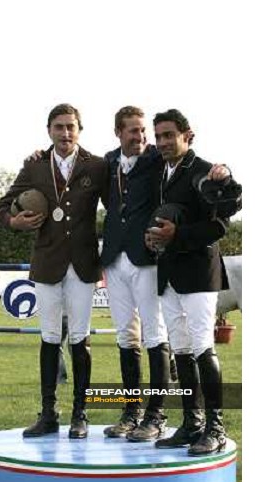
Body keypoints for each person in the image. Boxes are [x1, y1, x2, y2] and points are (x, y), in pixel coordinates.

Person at [0, 103, 107, 439]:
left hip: (84, 264)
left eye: (71, 126)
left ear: (79, 130)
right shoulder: (34, 166)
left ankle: (80, 413)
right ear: (49, 131)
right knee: (48, 337)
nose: (65, 133)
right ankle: (48, 413)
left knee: (80, 338)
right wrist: (14, 221)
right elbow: (2, 205)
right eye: (59, 127)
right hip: (46, 263)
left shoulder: (98, 166)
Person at [145, 109, 238, 456]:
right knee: (181, 349)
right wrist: (152, 238)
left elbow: (221, 223)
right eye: (159, 136)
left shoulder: (204, 171)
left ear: (188, 136)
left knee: (202, 347)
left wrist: (178, 234)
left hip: (199, 273)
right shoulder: (159, 172)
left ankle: (215, 426)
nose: (164, 142)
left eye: (170, 135)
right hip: (167, 272)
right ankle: (191, 422)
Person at [99, 106, 172, 442]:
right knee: (126, 336)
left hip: (147, 258)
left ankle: (156, 415)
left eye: (143, 131)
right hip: (114, 259)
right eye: (133, 131)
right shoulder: (108, 161)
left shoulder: (158, 159)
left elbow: (187, 159)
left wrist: (221, 169)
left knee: (154, 334)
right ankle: (131, 412)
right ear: (119, 132)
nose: (141, 137)